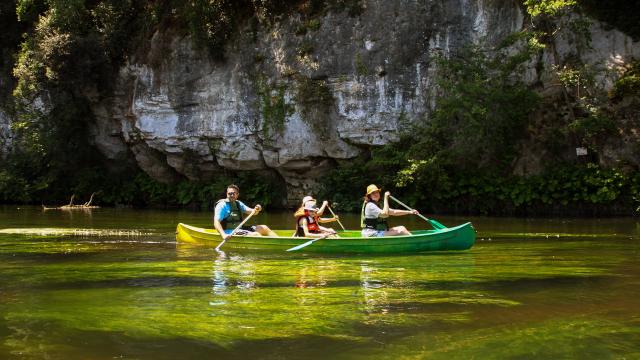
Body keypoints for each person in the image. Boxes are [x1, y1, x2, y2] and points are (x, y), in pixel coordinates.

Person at [213, 184, 278, 240]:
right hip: (228, 232)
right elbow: (216, 222)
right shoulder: (221, 205)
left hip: (239, 229)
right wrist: (223, 235)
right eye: (229, 193)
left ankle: (279, 241)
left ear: (237, 194)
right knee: (255, 234)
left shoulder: (238, 203)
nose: (232, 195)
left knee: (264, 228)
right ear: (226, 194)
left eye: (234, 193)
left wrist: (257, 209)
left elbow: (253, 212)